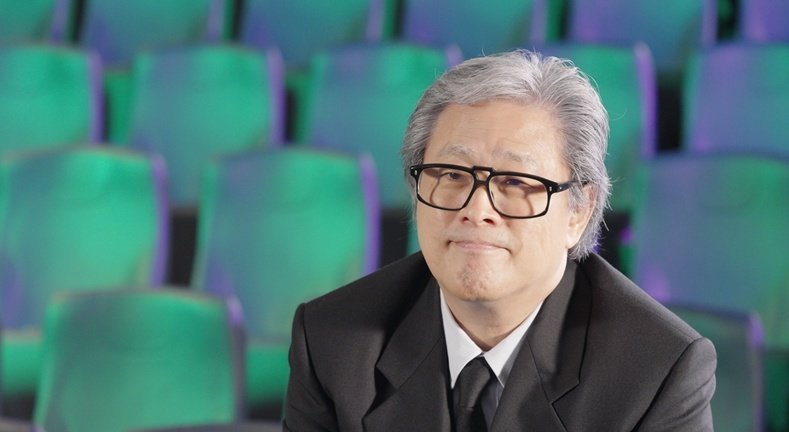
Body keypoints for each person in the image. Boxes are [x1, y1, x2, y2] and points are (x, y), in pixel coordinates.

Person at [283, 49, 716, 432]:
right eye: (452, 175)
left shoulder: (657, 371)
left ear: (579, 211)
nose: (477, 210)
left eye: (515, 181)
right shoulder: (332, 340)